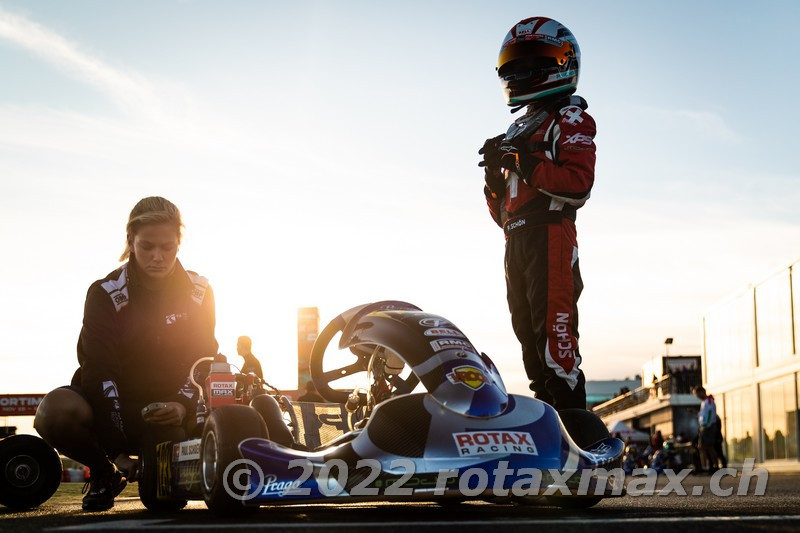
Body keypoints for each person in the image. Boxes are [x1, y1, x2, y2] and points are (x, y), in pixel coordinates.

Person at [34, 196, 218, 511]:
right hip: (114, 407)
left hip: (168, 411)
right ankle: (106, 475)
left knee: (164, 501)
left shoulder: (199, 291)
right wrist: (114, 453)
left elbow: (203, 359)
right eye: (147, 246)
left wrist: (182, 403)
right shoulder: (105, 293)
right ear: (130, 240)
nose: (157, 256)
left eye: (167, 247)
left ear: (179, 243)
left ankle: (159, 461)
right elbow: (99, 370)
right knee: (54, 411)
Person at [479, 17, 595, 409]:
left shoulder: (570, 118)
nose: (519, 71)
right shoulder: (517, 128)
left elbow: (577, 184)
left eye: (530, 61)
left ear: (561, 61)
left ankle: (580, 438)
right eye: (513, 63)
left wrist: (525, 161)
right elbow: (504, 216)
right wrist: (494, 179)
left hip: (551, 236)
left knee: (555, 346)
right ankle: (550, 448)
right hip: (518, 241)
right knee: (529, 344)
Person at [693, 386, 719, 472]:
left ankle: (714, 465)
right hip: (704, 426)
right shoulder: (704, 402)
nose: (697, 397)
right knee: (703, 447)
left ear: (701, 392)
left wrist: (706, 425)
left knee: (708, 447)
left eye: (697, 394)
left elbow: (711, 414)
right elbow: (703, 415)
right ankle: (707, 466)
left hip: (708, 427)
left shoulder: (709, 401)